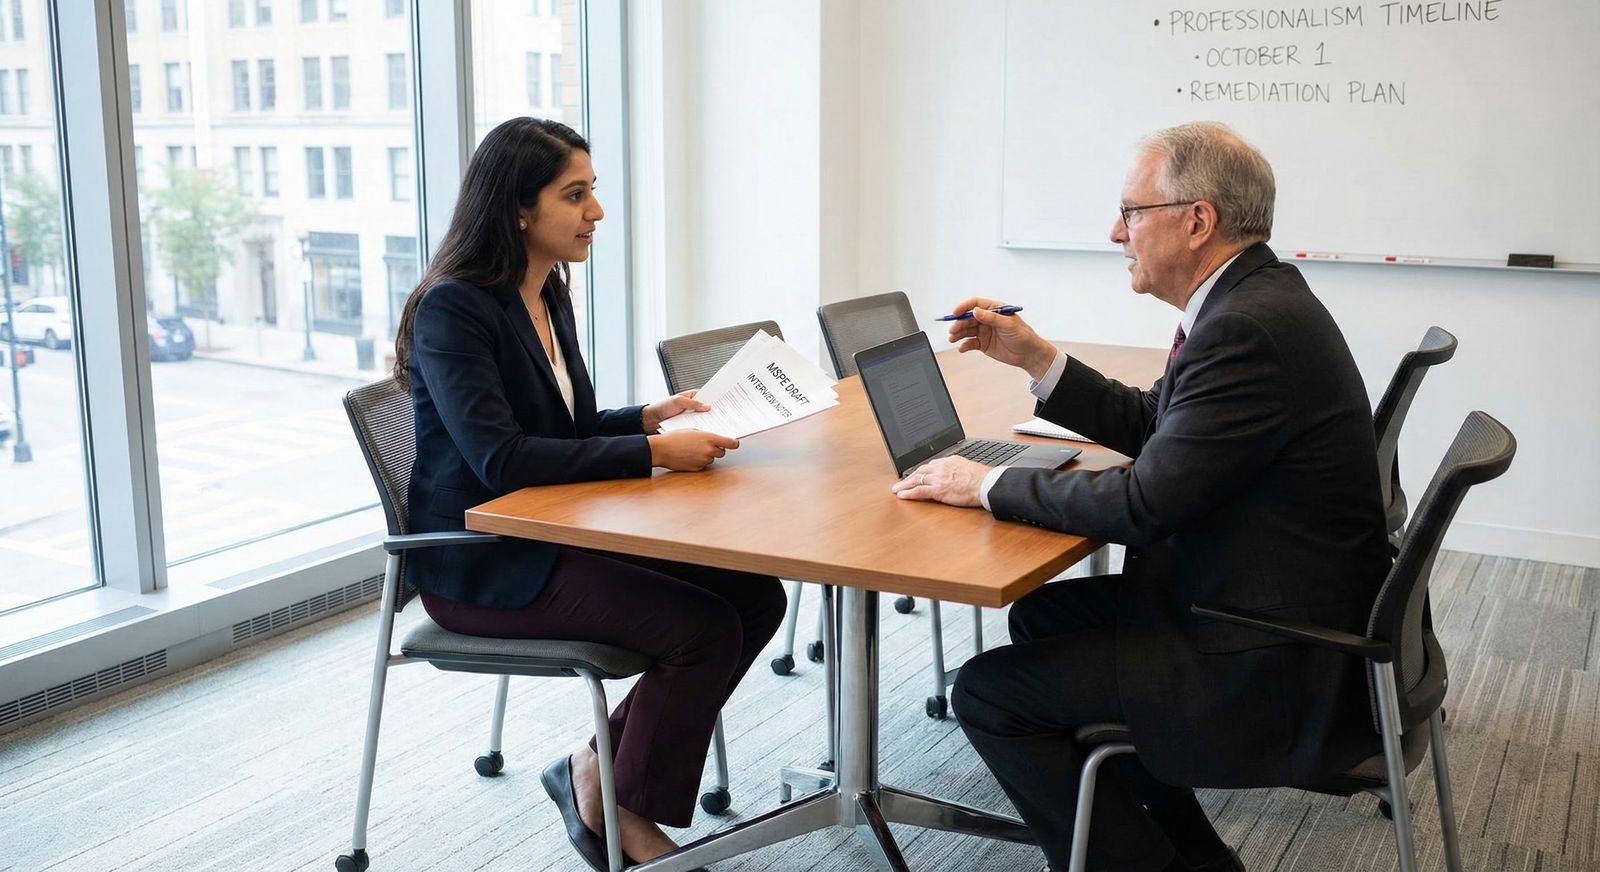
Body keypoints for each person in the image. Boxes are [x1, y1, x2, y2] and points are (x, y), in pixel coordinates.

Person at [891, 122, 1391, 872]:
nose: (1115, 231)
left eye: (1131, 212)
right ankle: (1188, 855)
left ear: (1198, 221)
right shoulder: (1251, 299)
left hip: (1272, 653)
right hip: (1272, 603)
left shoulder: (1246, 328)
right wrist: (1033, 355)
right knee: (1039, 617)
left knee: (990, 695)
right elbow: (1159, 427)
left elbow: (1145, 505)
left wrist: (986, 483)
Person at [391, 117, 785, 871]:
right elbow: (501, 457)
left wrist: (646, 417)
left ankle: (591, 772)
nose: (596, 212)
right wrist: (650, 452)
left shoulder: (546, 293)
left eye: (593, 192)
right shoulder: (453, 307)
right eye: (575, 195)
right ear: (517, 208)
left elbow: (562, 427)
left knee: (757, 596)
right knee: (698, 628)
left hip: (556, 531)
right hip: (483, 562)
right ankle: (619, 805)